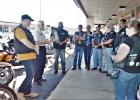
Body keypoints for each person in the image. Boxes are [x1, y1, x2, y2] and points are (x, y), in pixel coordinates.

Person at [112, 20, 140, 100]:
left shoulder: (128, 40)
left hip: (125, 72)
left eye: (127, 27)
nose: (126, 29)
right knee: (131, 94)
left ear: (132, 28)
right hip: (137, 72)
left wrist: (112, 56)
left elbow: (118, 58)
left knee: (120, 95)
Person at [14, 14, 39, 100]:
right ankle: (20, 92)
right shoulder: (19, 30)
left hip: (30, 55)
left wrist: (35, 48)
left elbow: (31, 41)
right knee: (30, 74)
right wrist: (35, 47)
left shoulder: (26, 30)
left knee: (32, 74)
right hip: (25, 55)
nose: (30, 23)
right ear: (24, 20)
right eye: (29, 21)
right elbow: (25, 42)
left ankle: (27, 92)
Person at [33, 20, 50, 86]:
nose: (43, 25)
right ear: (38, 25)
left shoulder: (41, 32)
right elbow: (36, 42)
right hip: (39, 49)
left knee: (43, 64)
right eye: (42, 24)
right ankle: (36, 79)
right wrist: (46, 42)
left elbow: (42, 40)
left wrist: (47, 41)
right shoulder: (36, 31)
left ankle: (40, 77)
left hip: (43, 48)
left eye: (43, 24)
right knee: (38, 64)